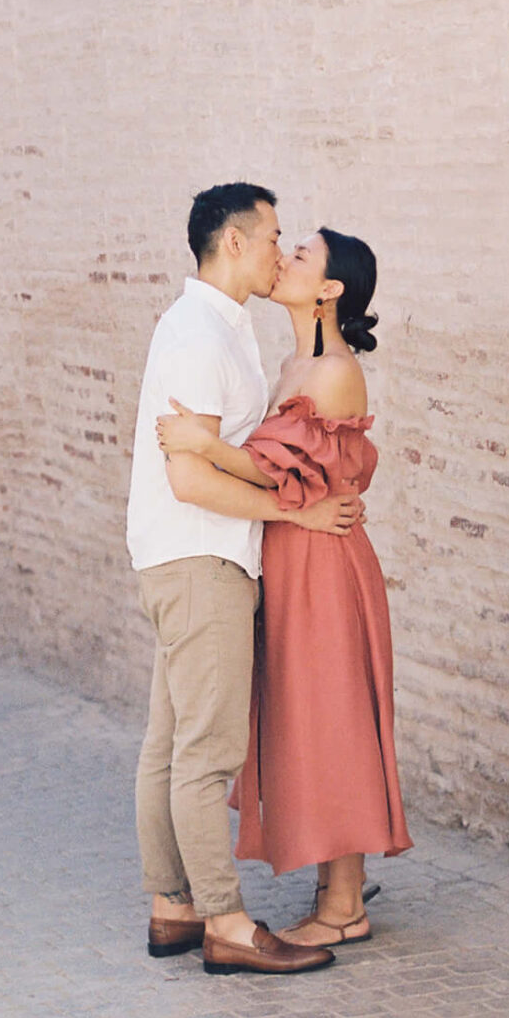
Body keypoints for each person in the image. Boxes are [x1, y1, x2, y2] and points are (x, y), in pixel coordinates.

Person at [127, 183, 362, 978]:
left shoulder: (221, 331)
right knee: (207, 752)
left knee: (168, 745)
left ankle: (174, 907)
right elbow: (190, 480)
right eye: (272, 237)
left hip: (183, 557)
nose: (278, 251)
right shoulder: (199, 334)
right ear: (234, 243)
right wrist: (293, 515)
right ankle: (226, 922)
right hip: (203, 557)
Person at [157, 225, 410, 948]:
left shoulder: (333, 369)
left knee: (333, 720)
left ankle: (344, 907)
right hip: (297, 555)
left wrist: (206, 448)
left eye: (301, 256)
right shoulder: (296, 363)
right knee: (309, 718)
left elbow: (281, 472)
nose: (285, 259)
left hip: (324, 565)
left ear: (329, 290)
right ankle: (335, 892)